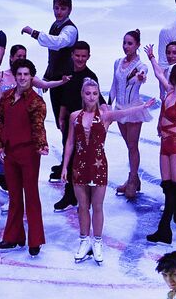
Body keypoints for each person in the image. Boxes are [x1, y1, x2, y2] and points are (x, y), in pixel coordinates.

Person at [61, 79, 154, 263]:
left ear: (98, 95)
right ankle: (83, 240)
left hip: (98, 166)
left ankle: (97, 241)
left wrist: (142, 106)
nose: (91, 97)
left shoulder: (105, 116)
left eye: (94, 94)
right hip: (79, 166)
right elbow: (70, 142)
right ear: (82, 94)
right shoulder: (74, 116)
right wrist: (64, 166)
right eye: (87, 93)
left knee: (97, 206)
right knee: (82, 207)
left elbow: (124, 112)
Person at [0, 59, 50, 256]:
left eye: (26, 74)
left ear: (31, 77)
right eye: (19, 74)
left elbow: (38, 126)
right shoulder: (7, 96)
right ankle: (13, 236)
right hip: (9, 153)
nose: (23, 78)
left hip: (29, 153)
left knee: (31, 195)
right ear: (15, 76)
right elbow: (1, 121)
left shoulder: (36, 101)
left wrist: (42, 144)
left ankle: (35, 239)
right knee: (15, 196)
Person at [21, 0, 78, 182]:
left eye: (62, 9)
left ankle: (70, 165)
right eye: (56, 8)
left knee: (67, 124)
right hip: (56, 80)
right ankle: (66, 162)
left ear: (69, 10)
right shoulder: (55, 25)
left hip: (66, 83)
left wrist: (33, 32)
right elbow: (54, 55)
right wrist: (47, 74)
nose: (58, 12)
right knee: (62, 124)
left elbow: (58, 43)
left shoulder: (69, 29)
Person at [141, 57, 176, 245]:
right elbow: (159, 74)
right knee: (168, 186)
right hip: (165, 143)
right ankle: (166, 229)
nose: (169, 76)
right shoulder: (170, 93)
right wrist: (152, 59)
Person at [49, 41, 100, 212]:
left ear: (88, 56)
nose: (80, 59)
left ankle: (84, 196)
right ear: (72, 55)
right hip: (71, 123)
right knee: (69, 157)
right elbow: (65, 97)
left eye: (83, 56)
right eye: (77, 55)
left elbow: (97, 102)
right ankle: (70, 195)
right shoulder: (68, 74)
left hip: (86, 126)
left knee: (85, 161)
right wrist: (61, 116)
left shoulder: (90, 77)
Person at [108, 29, 150, 200]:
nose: (126, 46)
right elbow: (113, 86)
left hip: (133, 110)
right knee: (128, 146)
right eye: (124, 43)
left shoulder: (141, 66)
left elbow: (143, 76)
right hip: (119, 109)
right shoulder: (118, 62)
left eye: (130, 43)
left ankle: (132, 180)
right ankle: (135, 178)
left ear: (138, 45)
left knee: (133, 146)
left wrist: (141, 77)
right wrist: (107, 108)